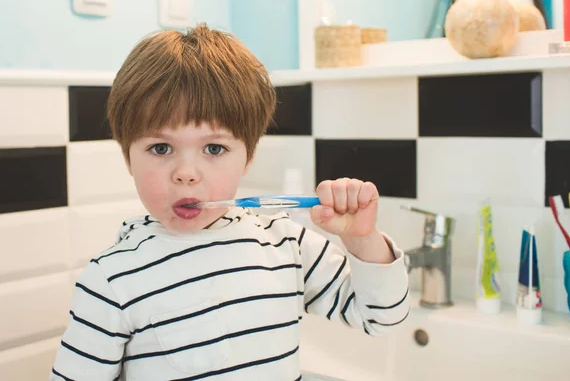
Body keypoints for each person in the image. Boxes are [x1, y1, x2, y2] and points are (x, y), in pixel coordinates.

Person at [50, 23, 410, 380]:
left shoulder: (287, 245)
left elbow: (382, 317)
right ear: (128, 158)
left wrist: (362, 238)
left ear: (248, 157)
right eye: (160, 148)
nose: (186, 173)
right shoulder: (111, 281)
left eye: (214, 148)